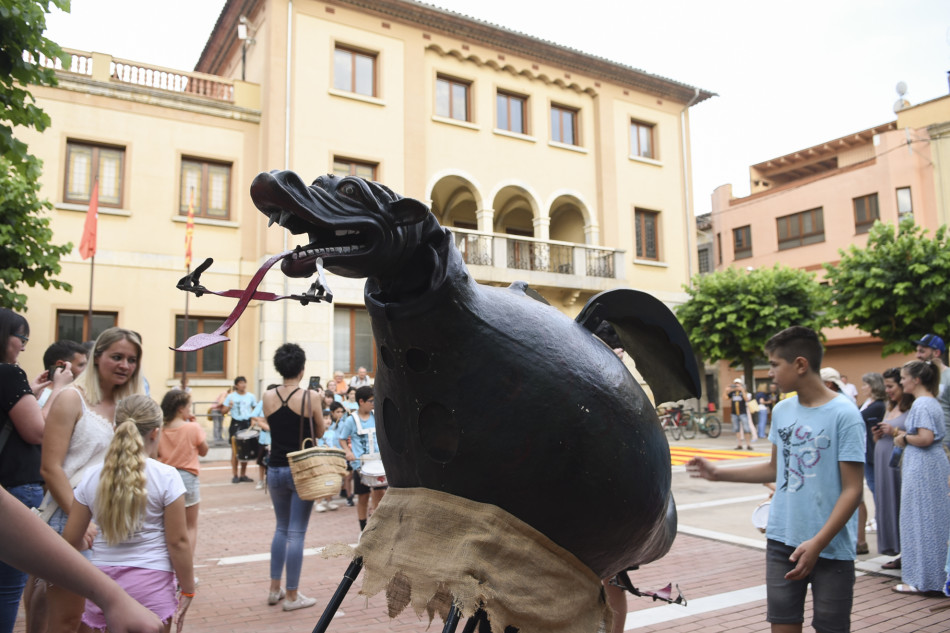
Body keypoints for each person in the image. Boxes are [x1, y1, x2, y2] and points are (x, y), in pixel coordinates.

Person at [687, 326, 864, 633]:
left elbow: (853, 490)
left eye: (773, 364)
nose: (769, 373)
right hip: (782, 541)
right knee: (782, 625)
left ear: (800, 364)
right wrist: (717, 473)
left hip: (831, 548)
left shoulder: (844, 414)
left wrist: (818, 543)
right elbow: (774, 469)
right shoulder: (782, 410)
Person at [40, 327, 144, 633]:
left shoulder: (130, 406)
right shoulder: (71, 399)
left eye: (132, 360)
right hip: (72, 514)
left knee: (99, 620)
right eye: (117, 357)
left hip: (113, 521)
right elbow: (50, 468)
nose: (125, 365)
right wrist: (79, 519)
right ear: (97, 357)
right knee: (67, 619)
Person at [64, 395, 195, 632]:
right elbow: (178, 541)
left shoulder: (91, 477)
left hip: (102, 584)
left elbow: (71, 539)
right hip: (152, 583)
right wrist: (188, 588)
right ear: (155, 432)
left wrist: (90, 542)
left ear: (115, 429)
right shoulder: (167, 476)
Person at [0, 486, 163, 633]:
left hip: (84, 536)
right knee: (64, 619)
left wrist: (113, 599)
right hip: (74, 522)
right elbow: (49, 469)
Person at [0, 308, 53, 633]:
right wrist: (58, 392)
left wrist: (29, 393)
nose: (23, 345)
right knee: (8, 587)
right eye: (21, 337)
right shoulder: (8, 373)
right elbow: (38, 431)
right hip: (15, 488)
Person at [261, 343, 324, 611]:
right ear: (302, 369)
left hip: (275, 468)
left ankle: (274, 589)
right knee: (296, 533)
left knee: (281, 528)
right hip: (300, 469)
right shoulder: (311, 397)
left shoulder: (267, 396)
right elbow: (319, 431)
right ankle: (292, 596)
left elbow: (274, 425)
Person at [891, 360, 950, 594]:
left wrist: (904, 438)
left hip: (923, 467)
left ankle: (921, 580)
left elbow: (925, 438)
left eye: (904, 377)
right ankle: (936, 577)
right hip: (931, 464)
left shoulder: (922, 403)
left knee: (919, 520)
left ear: (916, 380)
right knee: (932, 520)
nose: (901, 381)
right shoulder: (931, 401)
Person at [158, 389, 209, 560]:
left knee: (166, 525)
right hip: (187, 476)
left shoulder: (160, 429)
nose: (190, 410)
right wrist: (195, 425)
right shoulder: (192, 427)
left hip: (165, 477)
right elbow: (204, 451)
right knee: (190, 526)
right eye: (188, 407)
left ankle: (169, 562)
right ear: (180, 408)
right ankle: (186, 565)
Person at [872, 367, 913, 568]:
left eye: (891, 386)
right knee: (886, 503)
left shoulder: (912, 407)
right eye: (885, 387)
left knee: (900, 503)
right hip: (883, 461)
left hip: (900, 463)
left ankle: (908, 553)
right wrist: (878, 435)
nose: (887, 391)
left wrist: (894, 430)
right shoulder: (890, 407)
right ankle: (897, 550)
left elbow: (920, 435)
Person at [336, 385, 383, 532]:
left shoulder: (376, 416)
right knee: (363, 497)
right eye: (371, 401)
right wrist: (347, 452)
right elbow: (342, 439)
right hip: (360, 465)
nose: (373, 404)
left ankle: (376, 526)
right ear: (361, 401)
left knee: (380, 494)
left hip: (378, 463)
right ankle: (363, 529)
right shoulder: (351, 420)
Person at [855, 372, 886, 556]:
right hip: (866, 450)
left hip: (872, 452)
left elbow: (857, 418)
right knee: (873, 487)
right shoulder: (869, 403)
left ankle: (880, 519)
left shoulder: (877, 405)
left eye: (865, 385)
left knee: (875, 488)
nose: (863, 388)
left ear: (873, 386)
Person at [222, 376, 257, 484]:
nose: (243, 385)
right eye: (241, 383)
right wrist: (229, 406)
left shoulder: (251, 396)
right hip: (236, 424)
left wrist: (253, 419)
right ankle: (235, 475)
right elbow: (223, 411)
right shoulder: (231, 396)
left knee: (246, 449)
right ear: (236, 385)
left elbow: (255, 409)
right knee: (235, 450)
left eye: (244, 382)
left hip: (247, 424)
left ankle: (243, 474)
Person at [37, 340, 88, 410]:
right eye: (81, 365)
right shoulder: (41, 398)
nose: (86, 370)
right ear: (60, 366)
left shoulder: (76, 393)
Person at [315, 403, 346, 512]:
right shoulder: (317, 432)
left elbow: (335, 444)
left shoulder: (332, 432)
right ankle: (318, 502)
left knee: (330, 480)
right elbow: (318, 445)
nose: (328, 420)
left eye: (329, 418)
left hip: (331, 460)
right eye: (325, 418)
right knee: (321, 481)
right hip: (321, 460)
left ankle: (329, 500)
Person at [725, 378, 754, 450]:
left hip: (743, 413)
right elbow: (725, 398)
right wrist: (726, 391)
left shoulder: (743, 392)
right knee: (737, 429)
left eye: (738, 384)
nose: (736, 386)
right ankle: (739, 444)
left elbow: (746, 399)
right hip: (734, 413)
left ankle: (748, 444)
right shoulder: (732, 393)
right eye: (735, 384)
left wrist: (742, 390)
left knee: (746, 429)